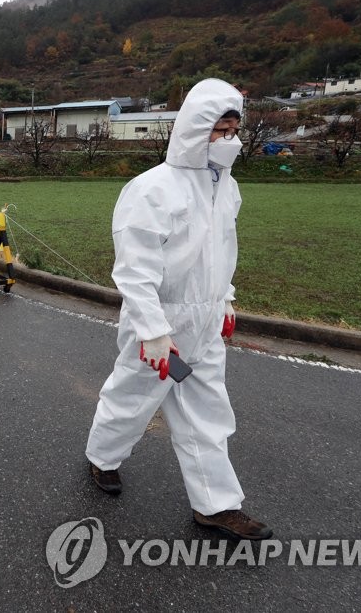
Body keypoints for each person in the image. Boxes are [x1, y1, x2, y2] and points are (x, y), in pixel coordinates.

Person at [84, 78, 272, 541]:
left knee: (207, 412)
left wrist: (225, 298)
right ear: (192, 128)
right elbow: (134, 268)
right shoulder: (151, 189)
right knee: (131, 399)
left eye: (233, 129)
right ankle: (102, 459)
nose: (227, 138)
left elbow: (223, 250)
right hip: (160, 323)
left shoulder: (227, 188)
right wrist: (152, 329)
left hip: (204, 324)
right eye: (218, 128)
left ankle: (217, 505)